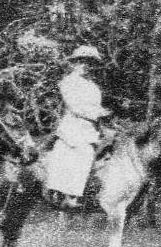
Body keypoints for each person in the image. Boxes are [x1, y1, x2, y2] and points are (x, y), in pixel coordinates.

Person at [46, 44, 112, 210]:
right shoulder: (67, 82)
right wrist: (98, 113)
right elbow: (74, 107)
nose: (86, 66)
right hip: (72, 129)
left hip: (90, 130)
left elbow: (97, 107)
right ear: (74, 63)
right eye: (82, 62)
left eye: (90, 63)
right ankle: (68, 194)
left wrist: (104, 115)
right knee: (83, 152)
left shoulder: (94, 88)